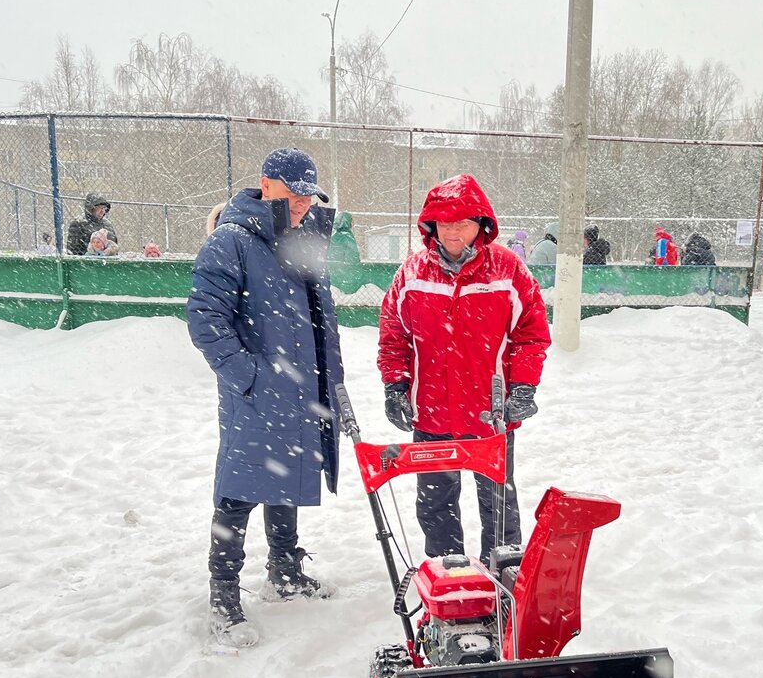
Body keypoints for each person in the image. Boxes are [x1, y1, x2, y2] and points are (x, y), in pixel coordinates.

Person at [187, 148, 344, 648]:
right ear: (267, 184)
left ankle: (284, 569)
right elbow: (205, 318)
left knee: (286, 476)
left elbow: (318, 321)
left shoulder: (302, 239)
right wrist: (249, 377)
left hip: (299, 389)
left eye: (308, 196)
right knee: (236, 493)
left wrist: (326, 381)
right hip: (256, 393)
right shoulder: (231, 241)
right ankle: (224, 598)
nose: (301, 204)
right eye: (294, 193)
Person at [378, 173, 550, 562]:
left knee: (499, 506)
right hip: (432, 414)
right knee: (436, 504)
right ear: (430, 225)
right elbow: (394, 336)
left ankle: (502, 576)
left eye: (463, 223)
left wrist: (523, 387)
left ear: (481, 225)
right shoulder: (412, 273)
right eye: (444, 223)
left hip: (491, 412)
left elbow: (531, 334)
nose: (453, 233)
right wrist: (395, 386)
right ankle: (447, 576)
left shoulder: (508, 272)